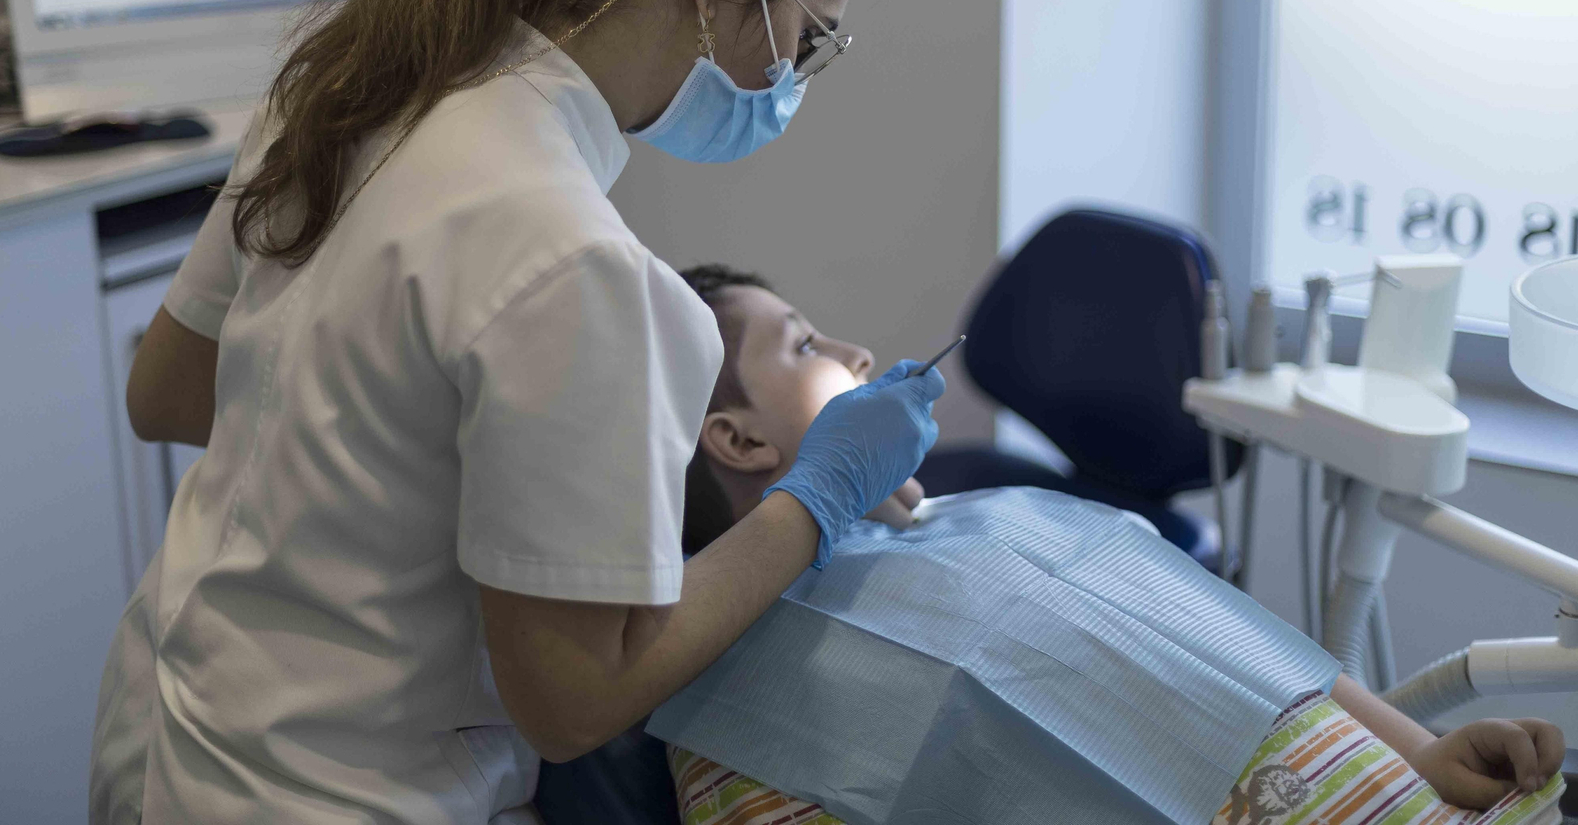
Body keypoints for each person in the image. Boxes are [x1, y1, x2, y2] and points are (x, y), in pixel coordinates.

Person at [90, 0, 946, 824]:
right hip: (332, 794)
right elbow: (570, 704)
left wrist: (397, 461)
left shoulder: (355, 86)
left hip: (167, 734)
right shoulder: (574, 265)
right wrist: (813, 500)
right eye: (806, 38)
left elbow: (168, 391)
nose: (793, 80)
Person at [663, 264, 1568, 825]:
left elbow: (1247, 645)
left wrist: (1422, 751)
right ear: (739, 442)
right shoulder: (730, 722)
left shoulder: (1008, 513)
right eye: (803, 344)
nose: (856, 353)